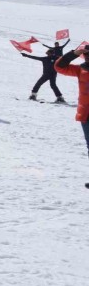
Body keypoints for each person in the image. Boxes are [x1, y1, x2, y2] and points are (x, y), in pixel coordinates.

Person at [54, 46, 89, 188]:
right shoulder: (80, 69)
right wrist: (74, 53)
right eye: (86, 54)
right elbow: (59, 67)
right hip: (86, 114)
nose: (87, 56)